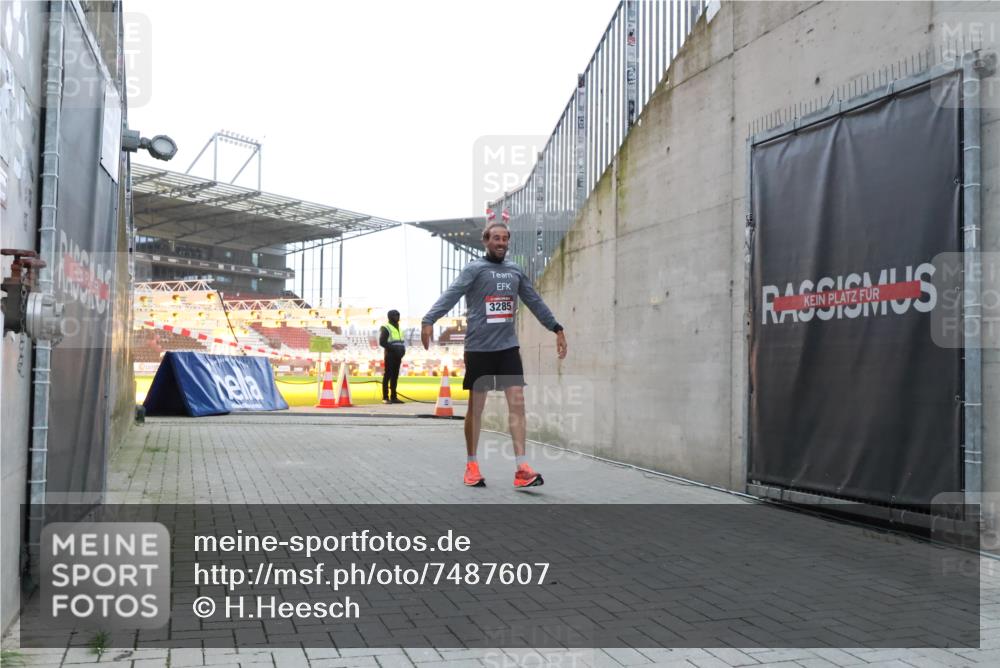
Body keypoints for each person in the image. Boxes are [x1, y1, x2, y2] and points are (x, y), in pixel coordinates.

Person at [422, 220, 567, 489]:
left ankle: (522, 468)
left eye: (505, 239)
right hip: (479, 349)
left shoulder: (515, 271)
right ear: (486, 241)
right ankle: (472, 464)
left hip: (507, 348)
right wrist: (429, 319)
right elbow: (452, 294)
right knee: (476, 409)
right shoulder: (474, 269)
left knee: (518, 404)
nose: (501, 243)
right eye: (496, 238)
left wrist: (556, 328)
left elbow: (534, 300)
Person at [379, 309, 406, 404]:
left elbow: (401, 342)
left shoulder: (399, 328)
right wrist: (394, 349)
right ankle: (385, 397)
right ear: (390, 317)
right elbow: (382, 342)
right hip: (390, 354)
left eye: (398, 315)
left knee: (395, 376)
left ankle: (394, 397)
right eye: (395, 315)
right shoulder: (386, 327)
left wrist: (402, 351)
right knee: (388, 375)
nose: (397, 317)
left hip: (398, 355)